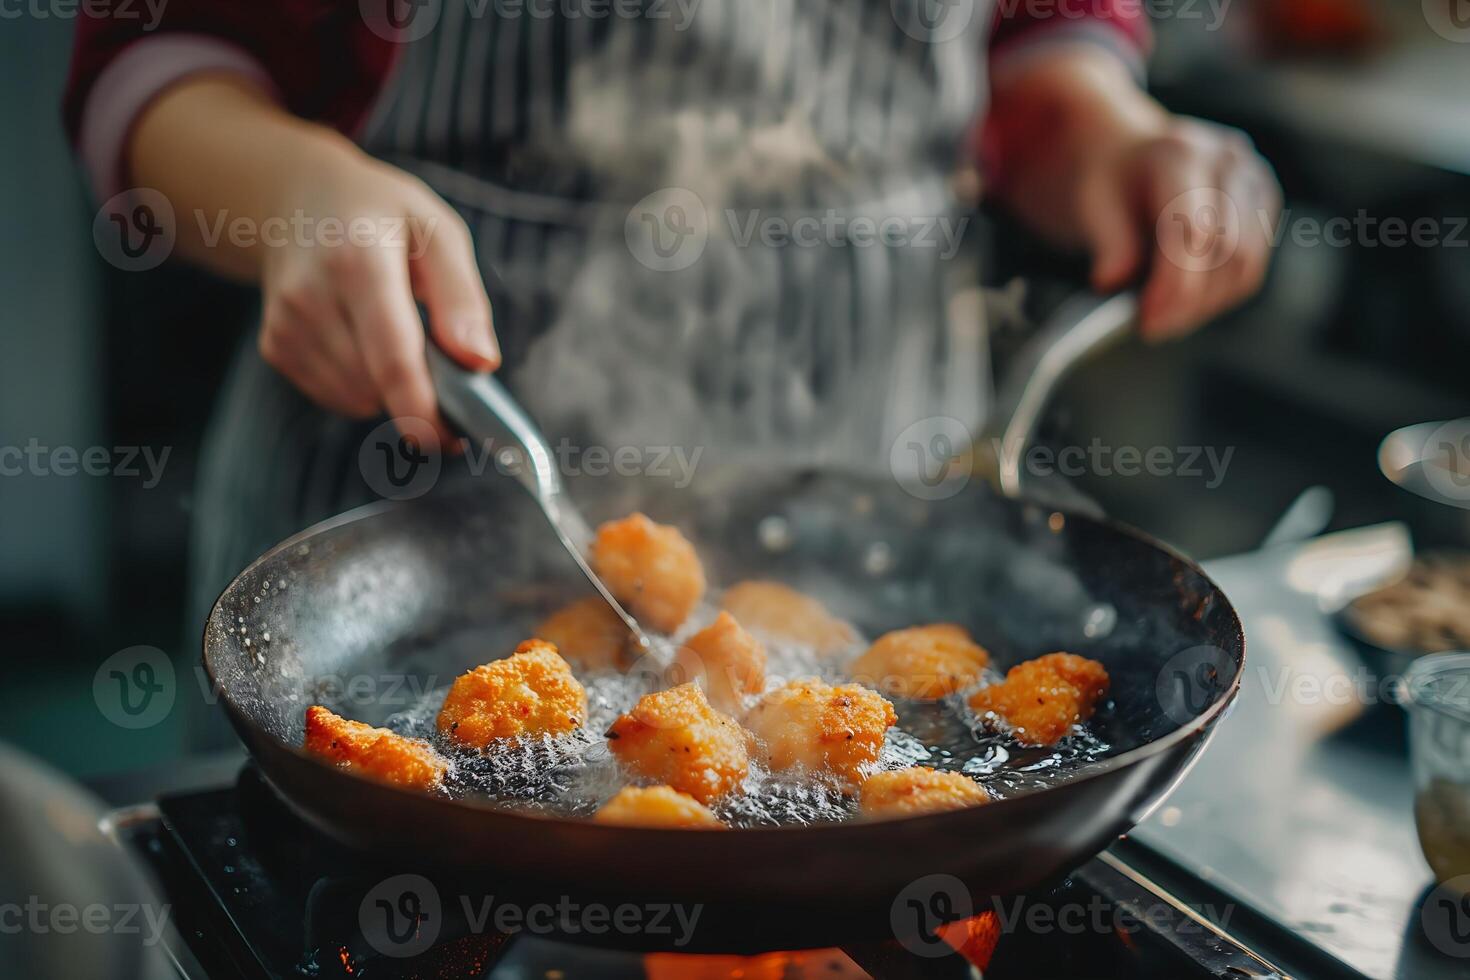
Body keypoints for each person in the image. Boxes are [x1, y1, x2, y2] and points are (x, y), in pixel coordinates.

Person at [66, 0, 1278, 744]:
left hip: (878, 449)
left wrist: (1112, 136)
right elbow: (161, 49)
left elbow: (1031, 45)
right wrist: (289, 198)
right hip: (407, 435)